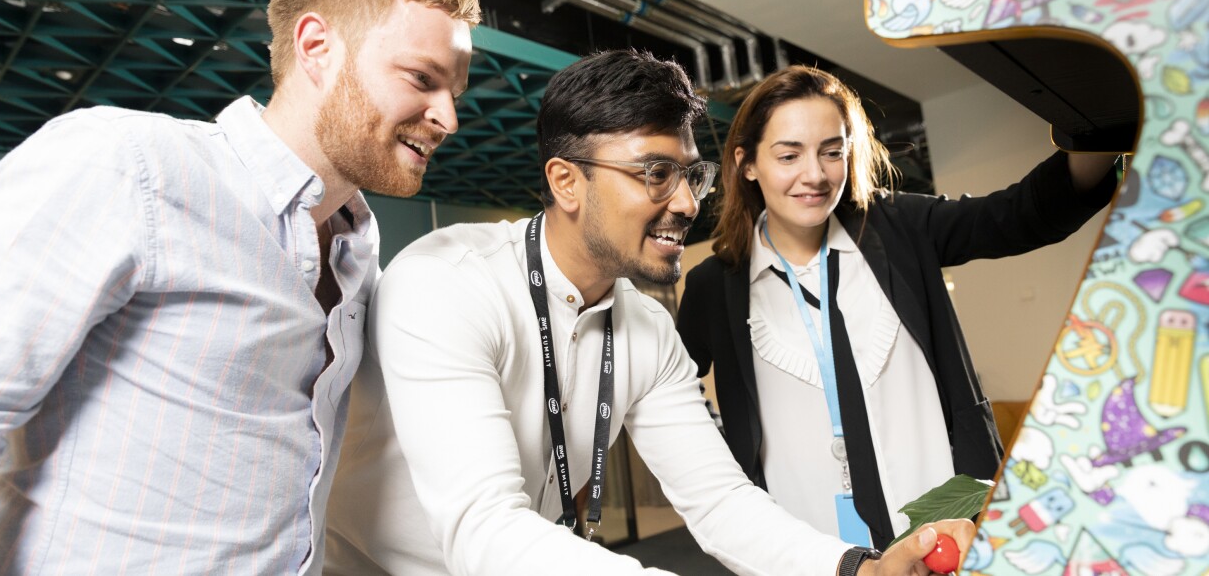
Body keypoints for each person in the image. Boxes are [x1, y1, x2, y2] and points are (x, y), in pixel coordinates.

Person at [324, 49, 973, 576]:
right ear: (566, 181)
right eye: (655, 173)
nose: (688, 203)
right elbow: (485, 529)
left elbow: (719, 500)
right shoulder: (446, 283)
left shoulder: (648, 329)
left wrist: (859, 569)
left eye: (691, 175)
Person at [0, 0, 478, 574]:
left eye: (455, 94)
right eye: (421, 78)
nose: (448, 117)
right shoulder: (127, 168)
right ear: (318, 47)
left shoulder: (359, 252)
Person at [677, 65, 1118, 548]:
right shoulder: (715, 286)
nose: (815, 175)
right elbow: (670, 388)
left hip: (944, 529)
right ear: (747, 163)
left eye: (832, 152)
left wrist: (1101, 124)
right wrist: (723, 458)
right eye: (789, 155)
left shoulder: (898, 228)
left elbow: (1018, 217)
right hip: (807, 546)